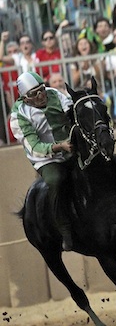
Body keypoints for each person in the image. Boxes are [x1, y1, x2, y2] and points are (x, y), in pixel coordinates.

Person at [10, 71, 74, 250]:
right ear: (25, 98)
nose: (40, 96)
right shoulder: (18, 116)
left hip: (70, 146)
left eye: (41, 90)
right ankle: (64, 227)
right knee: (56, 179)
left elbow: (70, 111)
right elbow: (34, 146)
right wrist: (59, 146)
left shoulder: (54, 94)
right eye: (34, 94)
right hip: (46, 159)